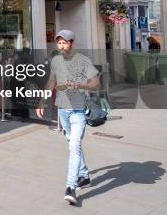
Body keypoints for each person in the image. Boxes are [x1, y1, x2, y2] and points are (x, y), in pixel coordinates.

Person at [37, 30, 100, 205]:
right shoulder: (56, 61)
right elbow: (51, 82)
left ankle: (70, 187)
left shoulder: (83, 61)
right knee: (73, 144)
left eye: (65, 42)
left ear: (72, 43)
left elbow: (96, 84)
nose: (62, 46)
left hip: (78, 111)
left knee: (74, 147)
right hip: (62, 111)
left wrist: (80, 84)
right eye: (59, 43)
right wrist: (41, 102)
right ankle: (85, 176)